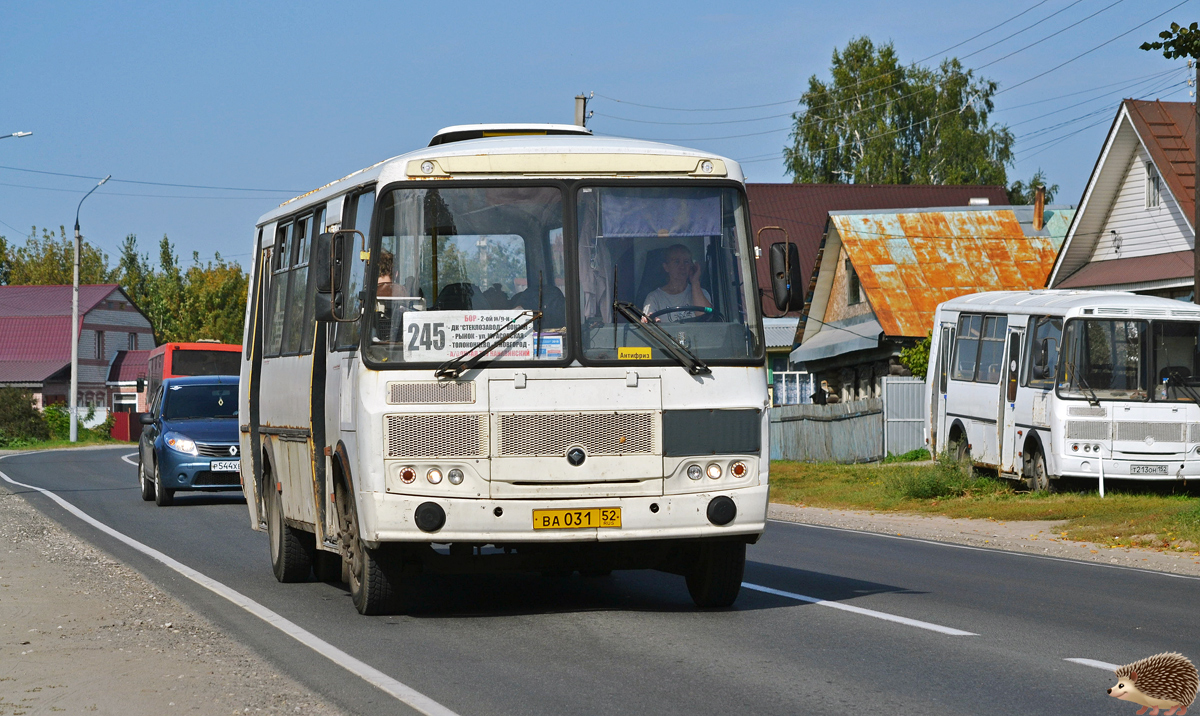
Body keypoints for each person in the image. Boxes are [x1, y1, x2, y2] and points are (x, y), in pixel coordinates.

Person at [642, 244, 711, 322]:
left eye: (686, 262)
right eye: (677, 262)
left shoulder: (702, 293)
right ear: (666, 267)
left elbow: (706, 319)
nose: (682, 267)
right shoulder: (654, 297)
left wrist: (695, 282)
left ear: (691, 266)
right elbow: (647, 323)